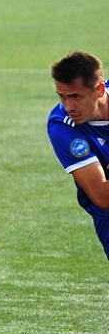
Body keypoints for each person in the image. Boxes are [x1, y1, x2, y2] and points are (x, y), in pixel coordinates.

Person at [47, 50, 109, 260]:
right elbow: (102, 196)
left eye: (75, 96)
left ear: (99, 90)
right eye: (62, 96)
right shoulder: (63, 126)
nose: (68, 106)